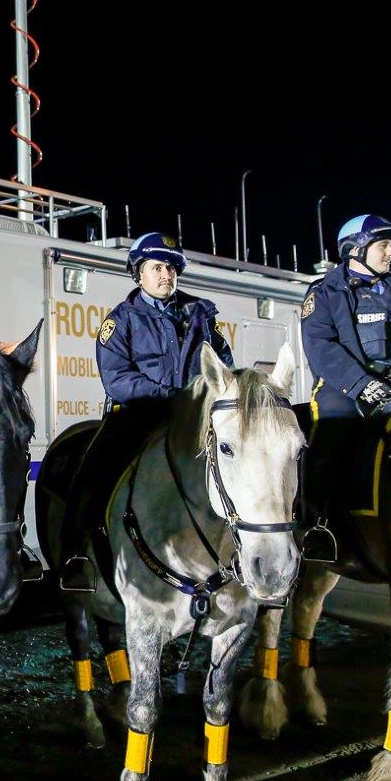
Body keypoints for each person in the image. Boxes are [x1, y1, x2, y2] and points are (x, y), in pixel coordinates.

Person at [59, 232, 234, 591]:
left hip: (192, 417)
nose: (166, 275)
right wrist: (168, 394)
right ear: (138, 274)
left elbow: (224, 364)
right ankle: (75, 555)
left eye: (171, 268)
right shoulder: (120, 320)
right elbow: (117, 379)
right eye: (157, 268)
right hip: (136, 415)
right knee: (92, 472)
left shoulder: (201, 313)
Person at [299, 213, 391, 530]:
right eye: (383, 245)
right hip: (344, 390)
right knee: (331, 438)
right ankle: (316, 523)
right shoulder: (324, 293)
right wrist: (361, 384)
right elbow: (320, 346)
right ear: (355, 249)